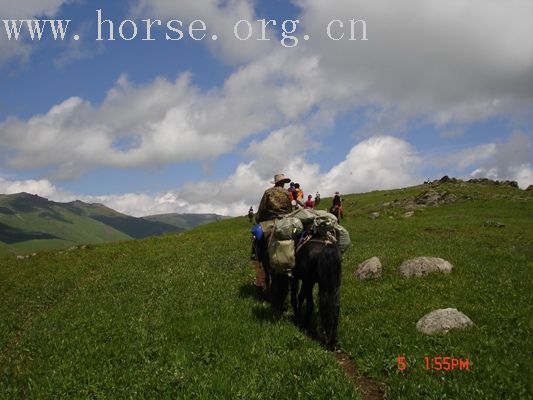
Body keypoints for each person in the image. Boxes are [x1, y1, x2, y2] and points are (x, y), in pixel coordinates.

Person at [252, 174, 292, 293]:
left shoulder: (268, 192)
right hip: (285, 221)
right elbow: (290, 209)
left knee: (257, 240)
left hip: (270, 221)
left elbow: (262, 208)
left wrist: (259, 219)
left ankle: (257, 257)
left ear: (275, 182)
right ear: (283, 182)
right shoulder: (287, 193)